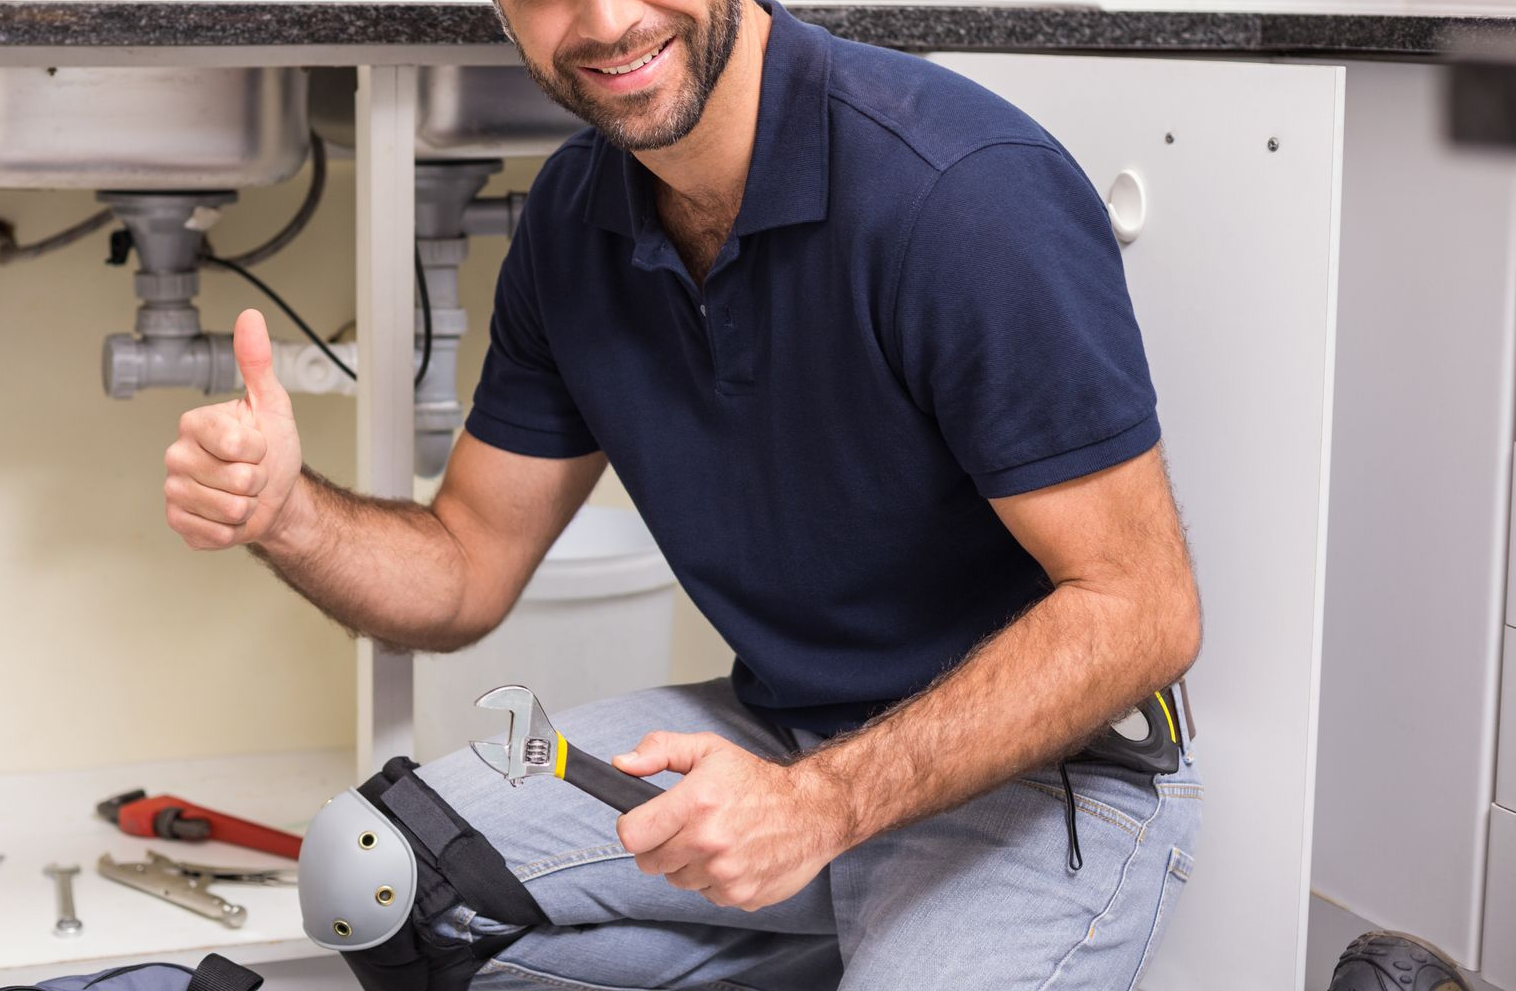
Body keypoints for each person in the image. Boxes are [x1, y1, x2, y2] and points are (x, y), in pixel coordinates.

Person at [162, 0, 1204, 983]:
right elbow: (464, 569)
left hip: (1031, 778)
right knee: (375, 872)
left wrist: (818, 806)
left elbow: (1142, 611)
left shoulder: (960, 191)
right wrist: (287, 513)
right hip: (780, 739)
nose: (609, 22)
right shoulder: (574, 220)